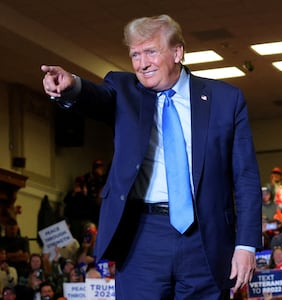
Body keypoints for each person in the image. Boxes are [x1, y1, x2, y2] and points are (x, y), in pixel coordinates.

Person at [41, 14, 262, 300]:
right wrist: (72, 86)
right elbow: (94, 97)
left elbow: (245, 177)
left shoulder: (225, 100)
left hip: (205, 238)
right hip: (141, 238)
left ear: (177, 52)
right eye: (135, 54)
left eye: (150, 52)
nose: (141, 63)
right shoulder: (123, 90)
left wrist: (246, 245)